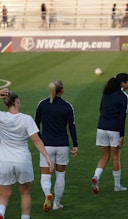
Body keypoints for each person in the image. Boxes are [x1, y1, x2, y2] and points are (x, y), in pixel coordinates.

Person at [0, 89, 53, 219]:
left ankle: (1, 212)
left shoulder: (1, 117)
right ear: (17, 101)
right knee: (24, 192)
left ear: (6, 104)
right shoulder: (26, 119)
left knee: (4, 194)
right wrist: (47, 156)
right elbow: (35, 140)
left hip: (4, 161)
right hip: (22, 160)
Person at [35, 80, 78, 212]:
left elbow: (35, 124)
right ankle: (56, 203)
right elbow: (72, 127)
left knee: (45, 175)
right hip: (62, 145)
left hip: (46, 145)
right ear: (62, 90)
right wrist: (75, 145)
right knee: (60, 175)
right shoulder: (67, 106)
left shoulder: (42, 104)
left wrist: (40, 139)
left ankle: (47, 193)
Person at [91, 73, 128, 194]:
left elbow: (101, 109)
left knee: (104, 156)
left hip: (101, 127)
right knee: (115, 157)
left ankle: (96, 176)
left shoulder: (106, 93)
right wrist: (122, 135)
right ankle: (117, 186)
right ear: (123, 83)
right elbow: (122, 117)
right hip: (114, 130)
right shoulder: (124, 97)